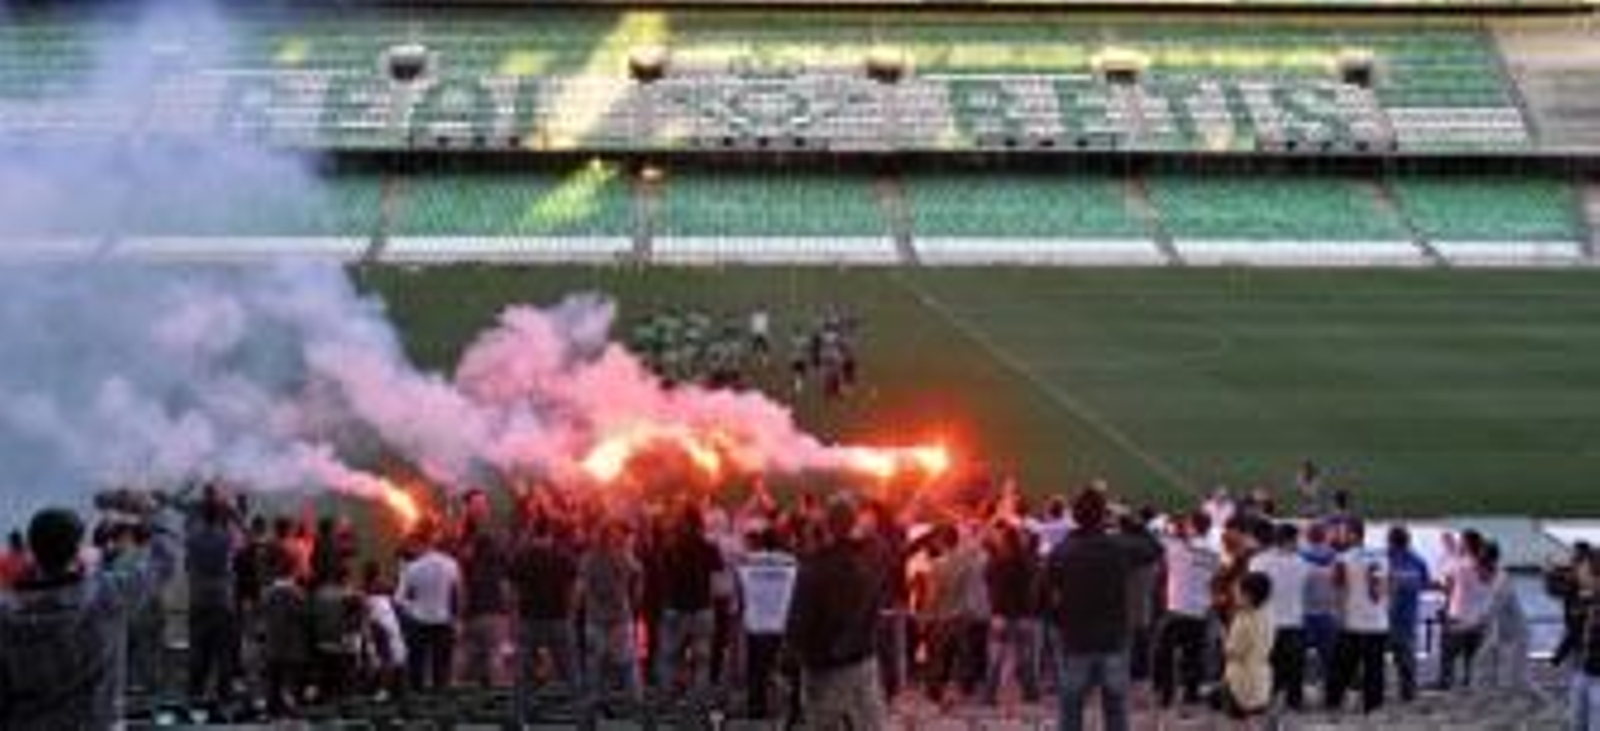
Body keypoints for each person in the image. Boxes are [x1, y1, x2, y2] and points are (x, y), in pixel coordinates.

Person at [0, 504, 178, 729]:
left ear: (33, 551)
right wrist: (155, 510)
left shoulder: (6, 614)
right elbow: (164, 562)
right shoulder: (107, 595)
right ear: (76, 551)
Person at [1041, 488, 1162, 731]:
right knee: (1115, 710)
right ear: (1104, 516)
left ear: (1076, 516)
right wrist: (1128, 519)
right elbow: (1155, 548)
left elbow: (1042, 596)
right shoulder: (1118, 546)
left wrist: (1058, 623)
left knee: (1070, 711)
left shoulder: (1062, 551)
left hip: (1076, 640)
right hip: (1112, 641)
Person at [787, 497, 890, 730]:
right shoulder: (871, 559)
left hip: (826, 668)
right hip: (864, 661)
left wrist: (791, 659)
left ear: (827, 525)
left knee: (824, 723)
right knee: (870, 724)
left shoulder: (814, 568)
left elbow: (798, 623)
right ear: (854, 523)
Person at [509, 515, 579, 724]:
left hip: (529, 620)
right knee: (570, 670)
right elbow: (574, 589)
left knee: (523, 673)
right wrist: (571, 613)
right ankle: (581, 716)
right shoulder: (563, 556)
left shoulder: (521, 556)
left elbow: (511, 592)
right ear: (550, 533)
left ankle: (520, 716)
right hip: (558, 619)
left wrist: (514, 617)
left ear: (532, 532)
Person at [1154, 511, 1220, 709]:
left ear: (1193, 526)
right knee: (1193, 655)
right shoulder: (1214, 552)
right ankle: (1190, 693)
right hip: (1200, 610)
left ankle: (1166, 693)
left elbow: (1160, 539)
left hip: (1176, 608)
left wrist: (1176, 531)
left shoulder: (1177, 547)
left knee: (1164, 653)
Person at [655, 506, 725, 693]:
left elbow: (662, 575)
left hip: (675, 608)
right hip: (702, 608)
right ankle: (698, 698)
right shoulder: (709, 547)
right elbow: (718, 577)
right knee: (701, 659)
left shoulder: (670, 547)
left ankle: (672, 693)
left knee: (671, 656)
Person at [734, 527, 798, 719]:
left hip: (756, 622)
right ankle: (792, 708)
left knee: (756, 669)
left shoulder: (747, 561)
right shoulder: (792, 562)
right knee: (788, 669)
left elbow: (740, 591)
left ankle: (756, 707)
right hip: (782, 621)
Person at [577, 519, 643, 698]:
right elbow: (638, 572)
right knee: (627, 663)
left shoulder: (588, 559)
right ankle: (635, 699)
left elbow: (581, 588)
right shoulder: (622, 556)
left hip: (595, 618)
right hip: (619, 617)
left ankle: (596, 699)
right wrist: (635, 596)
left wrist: (580, 605)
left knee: (596, 664)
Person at [186, 492, 241, 705]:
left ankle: (195, 692)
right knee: (223, 649)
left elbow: (190, 524)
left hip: (198, 597)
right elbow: (243, 533)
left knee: (198, 647)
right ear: (220, 516)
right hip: (222, 598)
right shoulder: (227, 537)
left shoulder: (192, 536)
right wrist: (232, 511)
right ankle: (224, 694)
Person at [1328, 519, 1388, 714]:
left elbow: (1336, 586)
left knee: (1342, 666)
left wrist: (1337, 612)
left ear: (1353, 534)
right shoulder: (1381, 556)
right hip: (1378, 622)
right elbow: (1384, 587)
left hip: (1353, 622)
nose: (1340, 536)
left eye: (1343, 532)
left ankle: (1335, 701)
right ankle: (1373, 705)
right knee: (1374, 669)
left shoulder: (1343, 558)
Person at [1249, 522, 1309, 711]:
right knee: (1294, 667)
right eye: (1296, 540)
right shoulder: (1302, 563)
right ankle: (1293, 702)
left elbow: (1252, 589)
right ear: (1290, 541)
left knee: (1265, 665)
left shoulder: (1258, 561)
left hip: (1267, 620)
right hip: (1293, 621)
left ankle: (1263, 698)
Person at [396, 524, 462, 692]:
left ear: (421, 543)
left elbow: (399, 600)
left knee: (417, 670)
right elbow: (457, 594)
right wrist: (456, 619)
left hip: (419, 623)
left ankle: (418, 701)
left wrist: (412, 609)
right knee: (441, 672)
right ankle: (440, 700)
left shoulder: (412, 567)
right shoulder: (451, 564)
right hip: (444, 621)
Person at [984, 521, 1041, 706]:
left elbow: (988, 583)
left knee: (995, 658)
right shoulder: (1027, 562)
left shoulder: (995, 562)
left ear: (1004, 541)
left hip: (1000, 613)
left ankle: (989, 695)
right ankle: (1031, 693)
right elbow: (1034, 586)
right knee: (1026, 658)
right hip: (1023, 613)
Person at [1438, 530, 1493, 690]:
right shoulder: (1488, 565)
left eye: (1461, 541)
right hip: (1479, 616)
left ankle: (1446, 681)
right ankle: (1470, 680)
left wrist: (1451, 553)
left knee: (1448, 650)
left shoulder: (1462, 565)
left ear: (1467, 544)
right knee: (1472, 652)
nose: (1459, 543)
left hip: (1459, 614)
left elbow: (1447, 585)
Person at [1221, 572, 1275, 727]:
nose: (1235, 596)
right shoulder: (1267, 615)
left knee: (1237, 722)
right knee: (1253, 720)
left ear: (1248, 596)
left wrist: (1224, 637)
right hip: (1261, 677)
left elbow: (1233, 652)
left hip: (1239, 680)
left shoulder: (1243, 619)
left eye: (1238, 592)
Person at [1476, 543, 1531, 691]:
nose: (1478, 573)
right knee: (1484, 662)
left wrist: (1464, 625)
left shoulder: (1501, 582)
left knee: (1520, 680)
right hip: (1504, 635)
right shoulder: (1495, 579)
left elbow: (1490, 612)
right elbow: (1488, 611)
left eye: (1480, 569)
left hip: (1517, 635)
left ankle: (1548, 702)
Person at [259, 553, 309, 716]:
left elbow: (262, 616)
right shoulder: (297, 594)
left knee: (273, 681)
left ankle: (272, 708)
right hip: (292, 646)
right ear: (292, 571)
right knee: (289, 683)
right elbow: (304, 618)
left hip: (273, 644)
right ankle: (288, 707)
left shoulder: (267, 593)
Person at [1386, 525, 1431, 702]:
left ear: (1391, 541)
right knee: (1406, 658)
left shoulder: (1385, 558)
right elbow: (1425, 584)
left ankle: (1377, 690)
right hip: (1408, 615)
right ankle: (1408, 693)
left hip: (1385, 616)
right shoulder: (1418, 561)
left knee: (1376, 656)